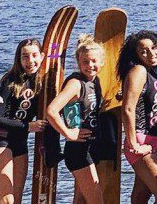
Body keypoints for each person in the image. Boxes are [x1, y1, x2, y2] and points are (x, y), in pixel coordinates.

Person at [0, 39, 46, 204]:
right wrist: (28, 126)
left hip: (20, 143)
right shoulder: (10, 81)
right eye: (25, 56)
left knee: (16, 200)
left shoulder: (42, 83)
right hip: (0, 140)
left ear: (42, 56)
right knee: (7, 200)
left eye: (34, 55)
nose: (30, 61)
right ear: (19, 59)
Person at [46, 35, 105, 204]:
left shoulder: (94, 81)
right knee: (96, 201)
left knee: (80, 200)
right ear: (79, 62)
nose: (90, 66)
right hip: (78, 151)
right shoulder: (75, 83)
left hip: (90, 147)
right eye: (85, 62)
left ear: (101, 62)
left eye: (94, 61)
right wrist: (68, 133)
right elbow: (51, 110)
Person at [117, 30, 157, 203]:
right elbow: (127, 108)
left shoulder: (153, 73)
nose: (151, 53)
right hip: (142, 142)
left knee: (140, 198)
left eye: (154, 47)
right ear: (136, 55)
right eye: (144, 51)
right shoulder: (139, 70)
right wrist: (134, 144)